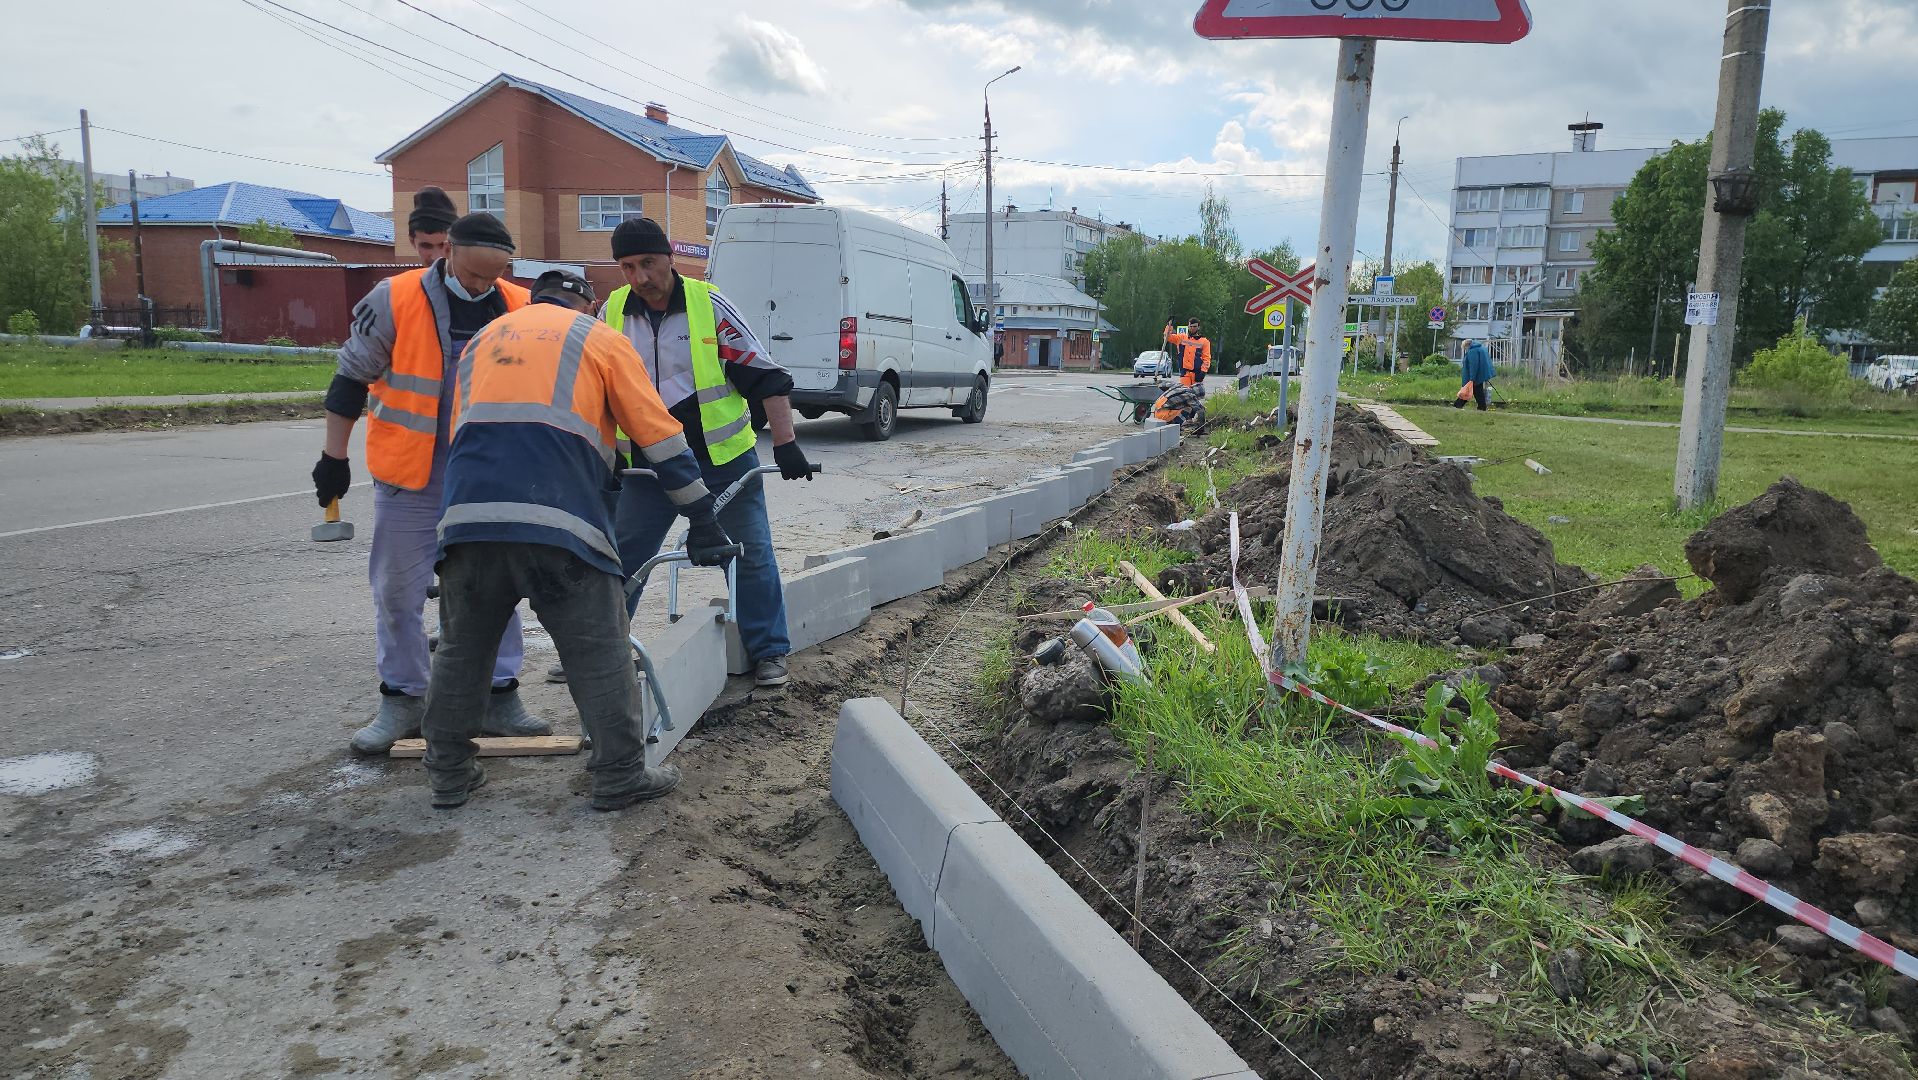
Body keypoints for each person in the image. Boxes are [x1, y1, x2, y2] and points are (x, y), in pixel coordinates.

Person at [420, 268, 733, 810]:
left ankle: (448, 775)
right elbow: (657, 437)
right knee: (600, 653)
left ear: (533, 300)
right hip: (561, 524)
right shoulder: (600, 338)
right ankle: (619, 776)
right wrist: (703, 520)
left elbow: (462, 433)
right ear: (588, 304)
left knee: (460, 652)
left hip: (468, 522)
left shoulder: (482, 341)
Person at [312, 212, 551, 755]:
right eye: (472, 275)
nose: (480, 286)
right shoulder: (393, 299)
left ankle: (498, 695)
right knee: (397, 590)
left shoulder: (518, 305)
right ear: (448, 251)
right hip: (413, 474)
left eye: (492, 277)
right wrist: (333, 458)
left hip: (489, 474)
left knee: (498, 585)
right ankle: (404, 698)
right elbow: (350, 380)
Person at [600, 216, 813, 689]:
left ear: (670, 259)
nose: (640, 278)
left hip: (721, 464)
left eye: (649, 264)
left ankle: (770, 651)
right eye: (628, 266)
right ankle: (601, 650)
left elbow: (766, 376)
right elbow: (595, 391)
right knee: (620, 560)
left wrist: (786, 443)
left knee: (749, 553)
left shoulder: (709, 305)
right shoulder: (611, 313)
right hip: (648, 469)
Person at [406, 188, 456, 265]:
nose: (436, 257)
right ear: (412, 242)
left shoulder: (478, 275)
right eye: (426, 246)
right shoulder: (407, 277)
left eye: (443, 245)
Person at [1163, 317, 1212, 388]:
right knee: (1185, 394)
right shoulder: (1181, 338)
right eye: (1190, 326)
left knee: (1196, 396)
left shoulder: (1204, 342)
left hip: (1197, 374)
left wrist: (1203, 372)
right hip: (1185, 374)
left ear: (1198, 327)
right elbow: (1167, 337)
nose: (1192, 328)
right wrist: (1169, 326)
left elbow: (1206, 359)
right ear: (1188, 327)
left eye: (1194, 326)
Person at [1456, 338, 1493, 411]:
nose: (1465, 350)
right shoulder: (1480, 349)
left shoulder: (1472, 351)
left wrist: (1472, 378)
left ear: (1467, 346)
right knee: (1477, 392)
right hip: (1479, 375)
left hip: (1474, 377)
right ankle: (1481, 407)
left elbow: (1473, 365)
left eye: (1465, 348)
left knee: (1468, 391)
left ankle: (1458, 405)